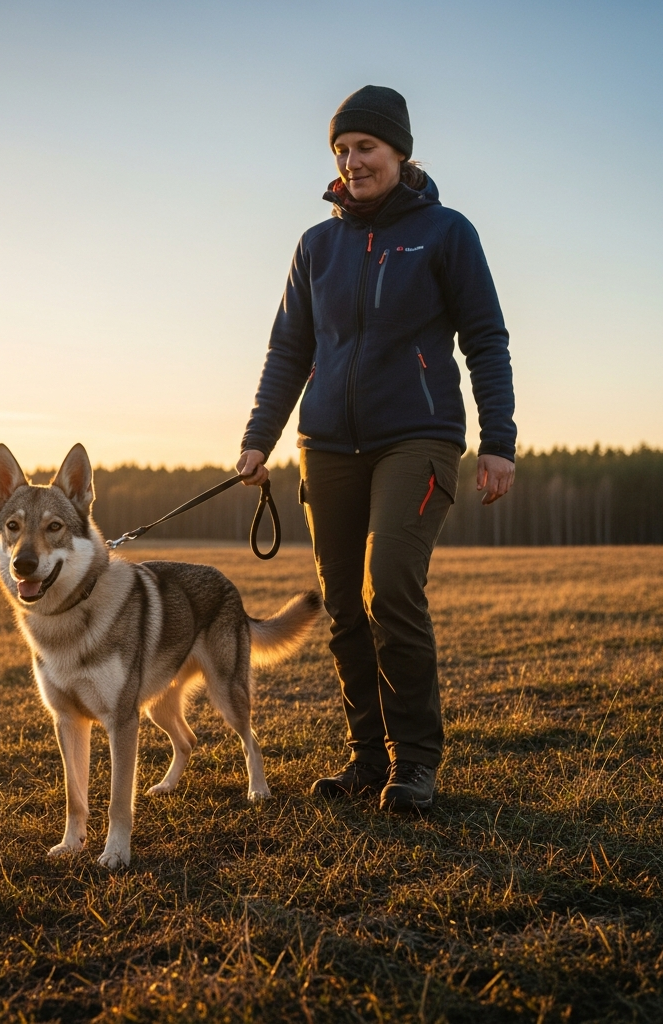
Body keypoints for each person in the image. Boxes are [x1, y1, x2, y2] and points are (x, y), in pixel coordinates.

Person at [236, 85, 515, 812]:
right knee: (341, 604)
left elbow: (486, 339)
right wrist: (258, 439)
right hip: (325, 444)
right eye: (342, 149)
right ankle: (366, 756)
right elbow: (288, 350)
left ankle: (415, 762)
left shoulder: (447, 233)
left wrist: (499, 442)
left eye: (366, 147)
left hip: (417, 437)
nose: (353, 161)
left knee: (388, 581)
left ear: (400, 152)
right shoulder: (316, 244)